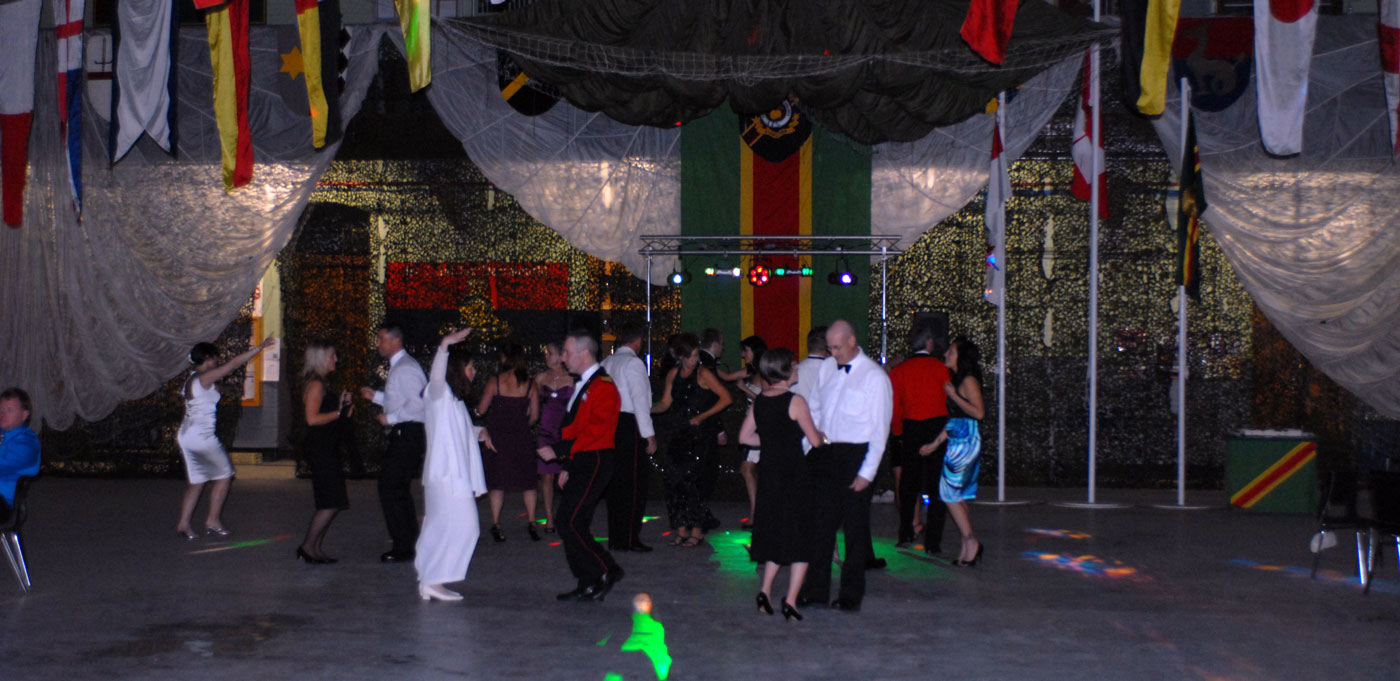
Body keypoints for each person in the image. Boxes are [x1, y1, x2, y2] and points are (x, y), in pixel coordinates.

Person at [798, 320, 892, 612]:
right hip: (826, 452)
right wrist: (808, 446)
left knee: (854, 530)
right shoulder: (827, 368)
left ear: (852, 341)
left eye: (837, 347)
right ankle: (815, 591)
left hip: (856, 455)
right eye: (830, 347)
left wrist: (867, 472)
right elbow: (813, 408)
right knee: (820, 527)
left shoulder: (874, 377)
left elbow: (880, 431)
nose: (832, 352)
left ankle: (851, 595)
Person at [538, 330, 624, 602]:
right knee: (574, 521)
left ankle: (606, 568)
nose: (563, 357)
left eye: (566, 352)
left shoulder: (603, 386)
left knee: (569, 520)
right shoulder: (585, 384)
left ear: (584, 354)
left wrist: (560, 452)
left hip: (596, 458)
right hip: (583, 458)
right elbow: (577, 428)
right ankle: (588, 580)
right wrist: (568, 464)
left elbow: (597, 431)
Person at [738, 349, 823, 622]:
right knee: (801, 538)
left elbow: (744, 436)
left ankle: (764, 591)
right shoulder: (795, 401)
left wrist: (772, 442)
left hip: (771, 475)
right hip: (795, 476)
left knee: (775, 532)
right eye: (794, 366)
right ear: (784, 371)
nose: (797, 368)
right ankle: (790, 600)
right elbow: (816, 441)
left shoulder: (760, 401)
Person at [416, 328, 491, 601]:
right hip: (447, 475)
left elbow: (457, 431)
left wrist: (478, 432)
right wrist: (444, 345)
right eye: (470, 367)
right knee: (467, 526)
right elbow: (436, 375)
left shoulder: (453, 400)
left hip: (448, 475)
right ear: (458, 368)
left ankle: (429, 579)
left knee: (440, 527)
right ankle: (433, 579)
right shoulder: (438, 392)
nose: (474, 372)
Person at [175, 338, 274, 540]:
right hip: (201, 436)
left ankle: (184, 524)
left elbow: (210, 392)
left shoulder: (194, 378)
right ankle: (212, 519)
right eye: (216, 357)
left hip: (188, 434)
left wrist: (227, 390)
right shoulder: (205, 377)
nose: (218, 360)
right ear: (209, 358)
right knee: (225, 475)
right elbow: (233, 365)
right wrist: (259, 348)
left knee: (198, 481)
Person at [651, 333, 732, 547]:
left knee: (695, 484)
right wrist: (646, 409)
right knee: (673, 481)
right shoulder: (672, 374)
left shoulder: (704, 373)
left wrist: (703, 416)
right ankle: (681, 529)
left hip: (700, 436)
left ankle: (697, 531)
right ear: (679, 356)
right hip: (679, 435)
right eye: (689, 356)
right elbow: (666, 403)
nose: (694, 360)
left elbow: (726, 398)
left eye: (696, 355)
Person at [360, 323, 427, 563]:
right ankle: (408, 540)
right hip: (406, 432)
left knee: (390, 488)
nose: (378, 344)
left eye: (380, 339)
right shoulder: (401, 367)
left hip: (407, 433)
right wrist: (377, 397)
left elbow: (418, 404)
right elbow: (402, 399)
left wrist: (390, 418)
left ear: (394, 341)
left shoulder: (405, 368)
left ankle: (403, 545)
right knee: (397, 489)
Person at [919, 337, 986, 567]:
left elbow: (978, 414)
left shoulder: (967, 381)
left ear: (961, 357)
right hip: (958, 438)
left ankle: (971, 541)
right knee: (956, 494)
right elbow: (954, 419)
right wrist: (936, 443)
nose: (946, 354)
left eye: (951, 351)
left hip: (966, 441)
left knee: (948, 493)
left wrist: (954, 396)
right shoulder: (957, 381)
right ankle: (968, 545)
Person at [889, 324, 952, 553]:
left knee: (908, 486)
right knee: (937, 487)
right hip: (937, 428)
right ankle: (933, 543)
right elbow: (950, 402)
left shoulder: (899, 372)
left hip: (911, 428)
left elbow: (895, 408)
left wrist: (898, 433)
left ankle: (905, 533)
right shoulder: (941, 369)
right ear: (929, 343)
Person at [602, 325, 658, 553]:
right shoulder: (633, 363)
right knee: (633, 484)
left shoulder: (607, 362)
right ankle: (629, 538)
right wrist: (649, 435)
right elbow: (640, 402)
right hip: (629, 426)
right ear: (638, 342)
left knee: (615, 484)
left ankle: (616, 536)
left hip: (611, 424)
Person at [476, 342, 540, 543]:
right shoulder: (530, 384)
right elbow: (535, 416)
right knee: (528, 482)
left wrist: (476, 415)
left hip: (498, 438)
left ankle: (496, 524)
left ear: (505, 358)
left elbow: (482, 409)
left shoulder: (495, 382)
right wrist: (521, 422)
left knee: (498, 483)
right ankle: (531, 522)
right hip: (522, 437)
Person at [297, 340, 353, 564]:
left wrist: (344, 410)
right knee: (330, 501)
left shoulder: (321, 383)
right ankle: (308, 546)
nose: (336, 360)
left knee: (332, 500)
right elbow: (311, 419)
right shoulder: (316, 385)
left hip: (325, 446)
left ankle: (315, 547)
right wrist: (338, 413)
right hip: (320, 449)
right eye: (332, 356)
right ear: (320, 359)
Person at [721, 335, 767, 530]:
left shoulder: (764, 372)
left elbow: (768, 398)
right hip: (753, 425)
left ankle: (757, 515)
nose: (742, 354)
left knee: (748, 469)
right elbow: (726, 377)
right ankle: (757, 513)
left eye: (746, 350)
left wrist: (744, 390)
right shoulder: (751, 371)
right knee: (749, 469)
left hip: (759, 427)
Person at [533, 341, 572, 535]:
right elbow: (530, 402)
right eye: (546, 353)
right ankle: (549, 517)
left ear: (561, 355)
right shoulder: (540, 378)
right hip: (545, 431)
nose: (547, 356)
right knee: (546, 476)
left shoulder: (572, 379)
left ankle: (567, 514)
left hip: (564, 432)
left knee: (565, 476)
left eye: (550, 353)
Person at [0, 388, 40, 524]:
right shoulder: (2, 434)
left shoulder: (27, 442)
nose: (3, 414)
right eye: (1, 409)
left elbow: (4, 464)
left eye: (9, 410)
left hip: (5, 504)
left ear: (24, 415)